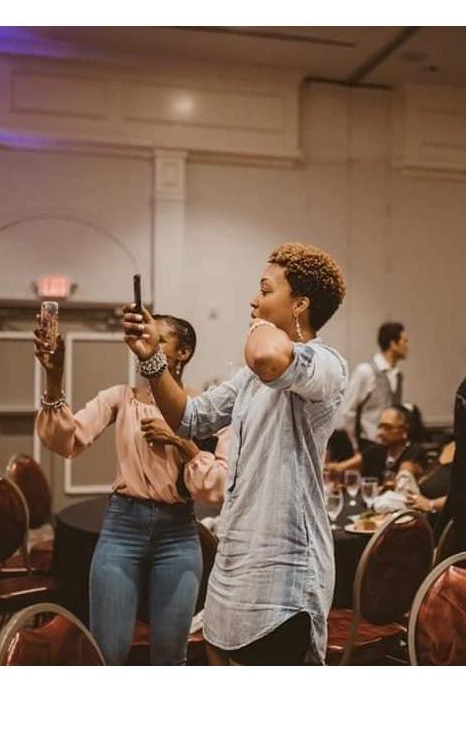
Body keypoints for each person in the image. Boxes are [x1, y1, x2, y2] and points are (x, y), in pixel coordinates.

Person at [122, 242, 347, 665]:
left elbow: (267, 357)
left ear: (300, 304)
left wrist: (263, 323)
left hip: (285, 570)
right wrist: (152, 357)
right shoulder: (248, 381)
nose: (253, 299)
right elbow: (188, 418)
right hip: (235, 566)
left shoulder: (327, 363)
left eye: (265, 290)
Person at [34, 313, 228, 665]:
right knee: (109, 653)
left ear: (182, 353)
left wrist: (181, 442)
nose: (145, 346)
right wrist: (53, 375)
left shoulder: (205, 409)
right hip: (122, 530)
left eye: (158, 340)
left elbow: (215, 488)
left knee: (170, 658)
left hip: (178, 535)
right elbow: (66, 440)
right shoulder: (120, 398)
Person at [340, 322, 409, 452]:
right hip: (370, 443)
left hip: (391, 445)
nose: (407, 346)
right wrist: (354, 445)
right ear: (393, 344)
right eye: (404, 341)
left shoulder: (398, 375)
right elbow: (348, 411)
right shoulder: (366, 371)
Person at [327, 405, 427, 486]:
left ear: (404, 429)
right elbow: (340, 467)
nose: (381, 433)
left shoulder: (415, 451)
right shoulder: (377, 450)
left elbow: (402, 481)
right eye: (380, 427)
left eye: (387, 427)